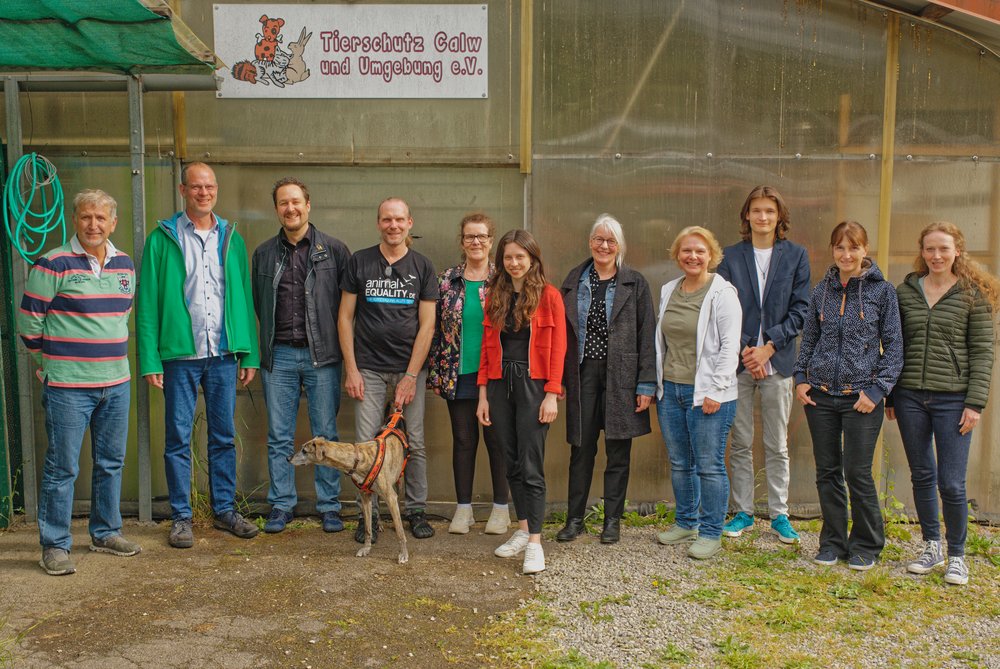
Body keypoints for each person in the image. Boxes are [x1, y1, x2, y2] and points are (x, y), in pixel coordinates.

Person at [137, 162, 260, 548]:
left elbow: (243, 296)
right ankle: (181, 517)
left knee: (223, 436)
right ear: (183, 190)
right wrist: (150, 359)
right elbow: (147, 303)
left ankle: (224, 510)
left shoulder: (231, 237)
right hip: (179, 356)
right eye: (196, 187)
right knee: (177, 436)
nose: (203, 193)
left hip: (222, 353)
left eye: (209, 187)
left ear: (216, 190)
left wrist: (249, 353)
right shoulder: (162, 238)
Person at [19, 189, 141, 574]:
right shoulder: (53, 263)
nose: (93, 225)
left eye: (101, 218)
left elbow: (122, 316)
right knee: (63, 468)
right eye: (86, 217)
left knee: (111, 462)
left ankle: (105, 532)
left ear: (113, 223)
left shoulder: (124, 264)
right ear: (75, 220)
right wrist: (50, 364)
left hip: (116, 382)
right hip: (68, 386)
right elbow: (29, 324)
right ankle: (55, 544)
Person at [887, 222, 998, 586]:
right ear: (922, 252)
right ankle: (931, 545)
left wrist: (975, 404)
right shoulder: (906, 292)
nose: (936, 256)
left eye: (943, 249)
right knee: (922, 474)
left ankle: (958, 556)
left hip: (954, 400)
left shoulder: (972, 295)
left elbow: (982, 353)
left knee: (951, 482)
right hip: (910, 397)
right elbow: (895, 346)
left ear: (957, 251)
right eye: (930, 249)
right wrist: (891, 394)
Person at [794, 221, 903, 571]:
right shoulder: (821, 291)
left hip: (862, 398)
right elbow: (809, 339)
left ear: (865, 250)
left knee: (857, 472)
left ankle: (867, 544)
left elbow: (895, 348)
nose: (846, 254)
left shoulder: (883, 292)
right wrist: (801, 378)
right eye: (840, 247)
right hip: (821, 396)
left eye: (853, 247)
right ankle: (832, 542)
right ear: (833, 250)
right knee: (827, 472)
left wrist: (877, 389)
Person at [251, 177, 352, 534]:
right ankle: (282, 504)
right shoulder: (264, 253)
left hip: (322, 356)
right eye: (283, 203)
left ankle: (329, 506)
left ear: (308, 205)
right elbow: (258, 304)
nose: (290, 208)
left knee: (325, 433)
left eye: (296, 201)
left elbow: (347, 308)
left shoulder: (335, 251)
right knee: (279, 435)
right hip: (278, 356)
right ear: (276, 209)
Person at [339, 197, 438, 541]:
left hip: (409, 370)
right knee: (366, 446)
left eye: (399, 219)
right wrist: (351, 369)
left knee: (415, 442)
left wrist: (411, 376)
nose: (393, 225)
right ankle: (369, 515)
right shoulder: (360, 261)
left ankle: (416, 510)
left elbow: (427, 326)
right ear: (378, 223)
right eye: (386, 219)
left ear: (410, 223)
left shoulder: (422, 266)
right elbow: (345, 318)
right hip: (368, 369)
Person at [716, 186, 810, 544]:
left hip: (778, 361)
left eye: (769, 211)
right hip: (738, 364)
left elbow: (801, 309)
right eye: (756, 210)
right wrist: (746, 350)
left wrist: (768, 347)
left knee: (777, 443)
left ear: (779, 216)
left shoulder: (796, 255)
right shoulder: (730, 256)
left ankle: (779, 514)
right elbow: (722, 307)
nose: (763, 217)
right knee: (740, 441)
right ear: (747, 215)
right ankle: (743, 512)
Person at [556, 214, 656, 545]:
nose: (604, 246)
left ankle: (612, 521)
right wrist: (558, 378)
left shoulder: (634, 283)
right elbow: (561, 334)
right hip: (583, 373)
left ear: (619, 246)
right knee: (581, 450)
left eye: (611, 241)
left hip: (621, 377)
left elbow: (647, 334)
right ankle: (574, 519)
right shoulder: (573, 280)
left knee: (618, 451)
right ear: (590, 242)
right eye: (599, 239)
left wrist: (646, 383)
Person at [477, 230, 566, 574]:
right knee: (511, 461)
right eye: (508, 257)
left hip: (533, 386)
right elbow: (486, 349)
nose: (514, 263)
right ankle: (524, 528)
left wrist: (551, 394)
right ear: (501, 261)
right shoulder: (495, 296)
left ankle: (535, 544)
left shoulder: (549, 296)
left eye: (520, 257)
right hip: (500, 385)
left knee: (531, 464)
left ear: (532, 259)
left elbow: (558, 349)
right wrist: (483, 395)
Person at [654, 226, 741, 560]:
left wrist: (716, 390)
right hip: (671, 389)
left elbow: (730, 346)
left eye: (700, 251)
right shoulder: (669, 290)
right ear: (677, 255)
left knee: (709, 465)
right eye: (686, 250)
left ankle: (710, 532)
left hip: (708, 394)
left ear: (711, 256)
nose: (693, 256)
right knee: (680, 463)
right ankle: (686, 522)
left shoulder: (722, 293)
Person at [427, 213, 511, 536]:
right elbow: (435, 329)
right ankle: (463, 508)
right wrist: (436, 372)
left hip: (496, 375)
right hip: (458, 373)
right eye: (469, 236)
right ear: (461, 242)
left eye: (482, 236)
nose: (476, 242)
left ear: (491, 240)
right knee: (463, 440)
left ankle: (501, 509)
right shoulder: (446, 280)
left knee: (497, 440)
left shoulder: (504, 279)